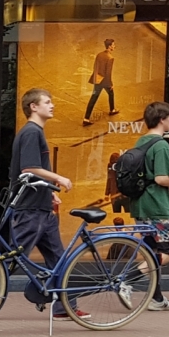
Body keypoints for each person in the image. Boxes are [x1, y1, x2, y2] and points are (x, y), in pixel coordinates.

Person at [9, 87, 87, 320]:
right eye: (47, 102)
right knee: (13, 256)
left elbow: (32, 173)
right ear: (34, 107)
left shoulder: (33, 132)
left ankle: (65, 306)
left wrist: (49, 193)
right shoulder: (32, 132)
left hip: (40, 207)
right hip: (31, 209)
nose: (52, 105)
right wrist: (58, 179)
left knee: (58, 258)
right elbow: (30, 167)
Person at [121, 102, 169, 311]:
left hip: (140, 205)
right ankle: (126, 280)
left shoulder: (141, 141)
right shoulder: (161, 145)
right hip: (157, 206)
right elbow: (161, 178)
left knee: (153, 252)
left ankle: (156, 298)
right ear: (162, 119)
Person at [83, 39, 119, 126]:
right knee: (110, 92)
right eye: (113, 45)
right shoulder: (110, 58)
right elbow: (108, 73)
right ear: (110, 46)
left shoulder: (99, 55)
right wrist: (110, 84)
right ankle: (112, 110)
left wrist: (95, 78)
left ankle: (86, 118)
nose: (114, 46)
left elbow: (95, 67)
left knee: (94, 98)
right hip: (105, 81)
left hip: (98, 80)